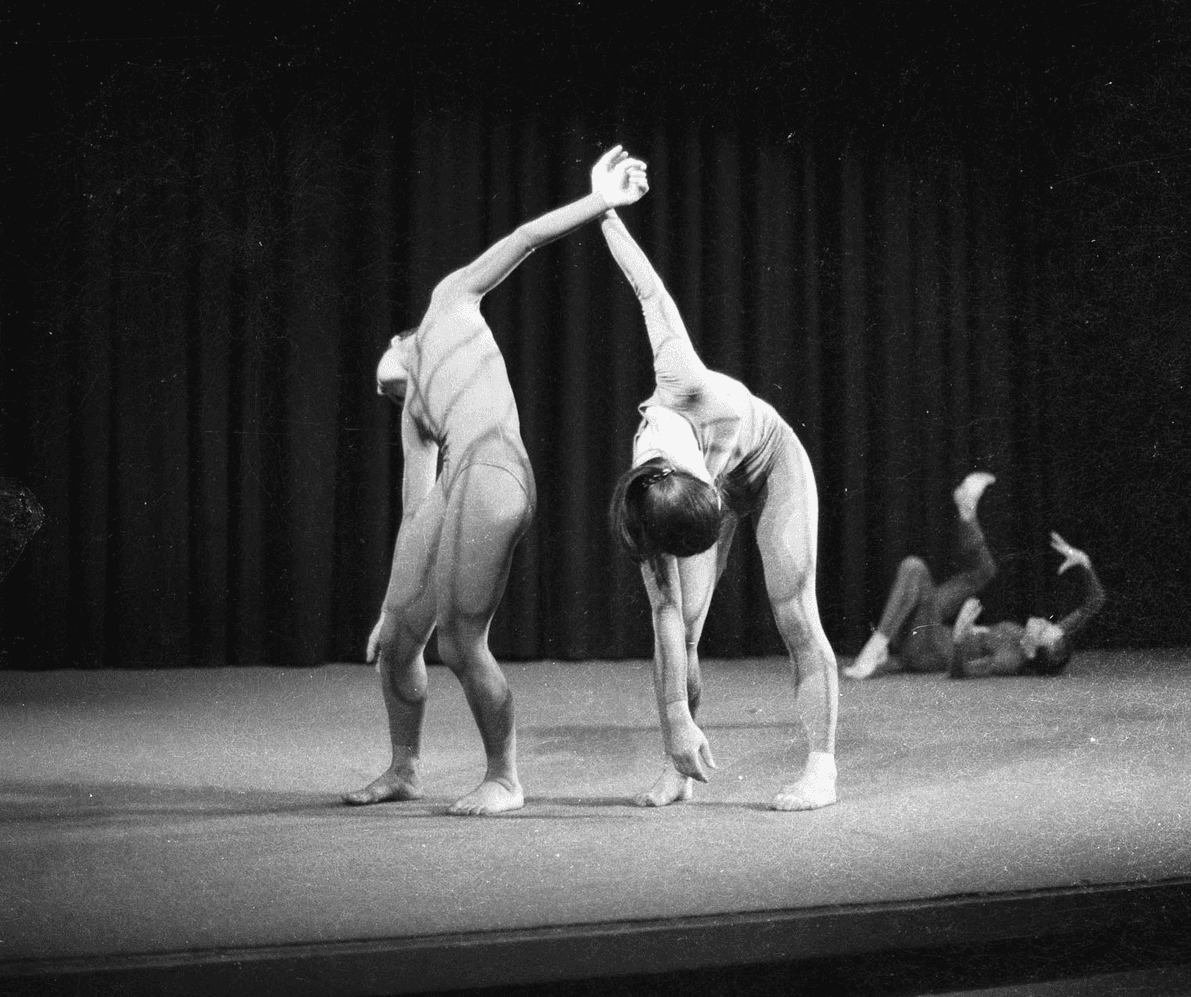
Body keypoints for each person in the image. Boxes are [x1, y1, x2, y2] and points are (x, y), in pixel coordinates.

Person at [344, 146, 649, 816]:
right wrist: (391, 606)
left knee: (458, 640)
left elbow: (524, 240)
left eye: (385, 380)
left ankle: (504, 777)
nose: (384, 394)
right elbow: (416, 507)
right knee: (396, 643)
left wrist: (599, 201)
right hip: (455, 487)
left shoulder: (447, 303)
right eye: (383, 397)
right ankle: (404, 766)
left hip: (495, 469)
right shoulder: (415, 415)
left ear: (400, 340)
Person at [598, 171, 838, 812]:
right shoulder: (644, 508)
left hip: (771, 461)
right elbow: (664, 615)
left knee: (794, 611)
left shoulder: (682, 375)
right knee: (688, 628)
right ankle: (680, 766)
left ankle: (821, 766)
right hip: (714, 496)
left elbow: (648, 291)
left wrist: (605, 208)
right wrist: (674, 716)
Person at [844, 473, 1105, 679]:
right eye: (1051, 625)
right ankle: (967, 513)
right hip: (928, 632)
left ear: (1030, 649)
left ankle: (876, 646)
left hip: (928, 652)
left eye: (1045, 629)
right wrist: (1085, 563)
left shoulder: (1009, 660)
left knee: (915, 567)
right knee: (964, 570)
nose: (1045, 621)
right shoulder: (1045, 640)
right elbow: (1094, 602)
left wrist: (958, 639)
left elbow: (962, 672)